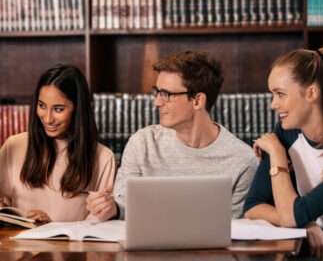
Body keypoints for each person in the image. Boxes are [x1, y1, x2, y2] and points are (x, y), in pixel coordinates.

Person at [86, 51, 258, 220]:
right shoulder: (142, 143)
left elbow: (235, 232)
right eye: (157, 92)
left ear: (198, 100)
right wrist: (110, 208)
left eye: (166, 94)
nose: (157, 102)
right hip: (145, 247)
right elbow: (122, 206)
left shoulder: (243, 160)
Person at [0, 64, 116, 222]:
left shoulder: (103, 158)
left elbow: (98, 225)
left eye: (58, 109)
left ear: (78, 109)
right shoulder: (14, 146)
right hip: (18, 244)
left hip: (72, 245)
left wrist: (50, 227)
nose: (47, 119)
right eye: (42, 106)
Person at [243, 48, 323, 258]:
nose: (272, 104)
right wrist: (305, 224)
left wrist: (277, 153)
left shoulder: (279, 143)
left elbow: (290, 216)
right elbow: (253, 207)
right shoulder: (288, 132)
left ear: (311, 93)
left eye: (280, 94)